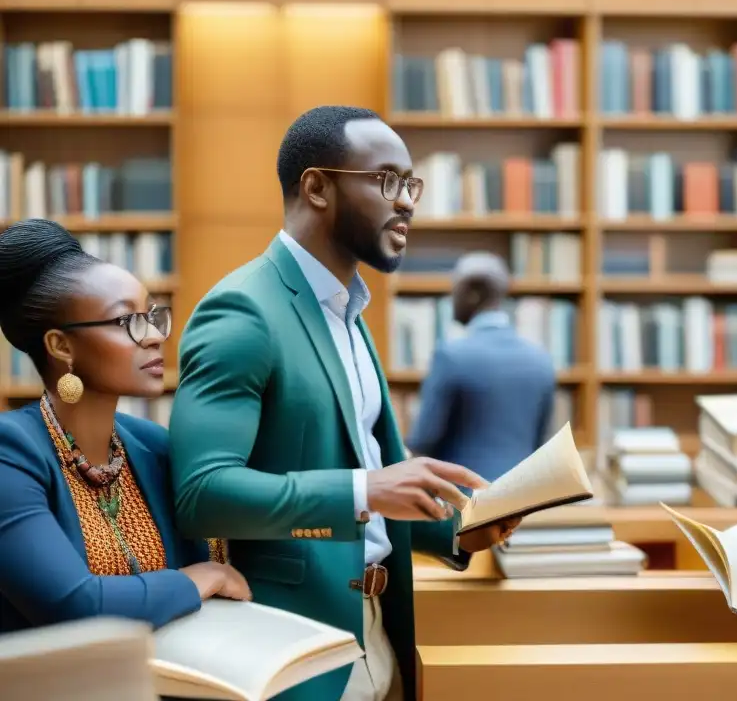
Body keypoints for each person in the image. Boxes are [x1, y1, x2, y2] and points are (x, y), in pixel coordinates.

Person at [168, 106, 519, 701]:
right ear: (317, 187)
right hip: (298, 649)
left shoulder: (349, 316)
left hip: (381, 632)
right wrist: (367, 488)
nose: (406, 202)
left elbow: (370, 501)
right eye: (387, 180)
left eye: (411, 185)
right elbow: (202, 495)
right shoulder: (243, 310)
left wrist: (458, 532)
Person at [0, 219, 251, 635]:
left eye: (152, 316)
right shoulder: (11, 454)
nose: (153, 336)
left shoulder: (155, 447)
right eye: (127, 322)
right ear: (61, 346)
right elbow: (75, 605)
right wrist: (203, 578)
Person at [406, 251, 557, 482]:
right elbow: (540, 443)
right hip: (524, 501)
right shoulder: (541, 360)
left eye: (454, 291)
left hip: (464, 502)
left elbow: (424, 440)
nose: (451, 300)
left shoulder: (451, 356)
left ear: (472, 294)